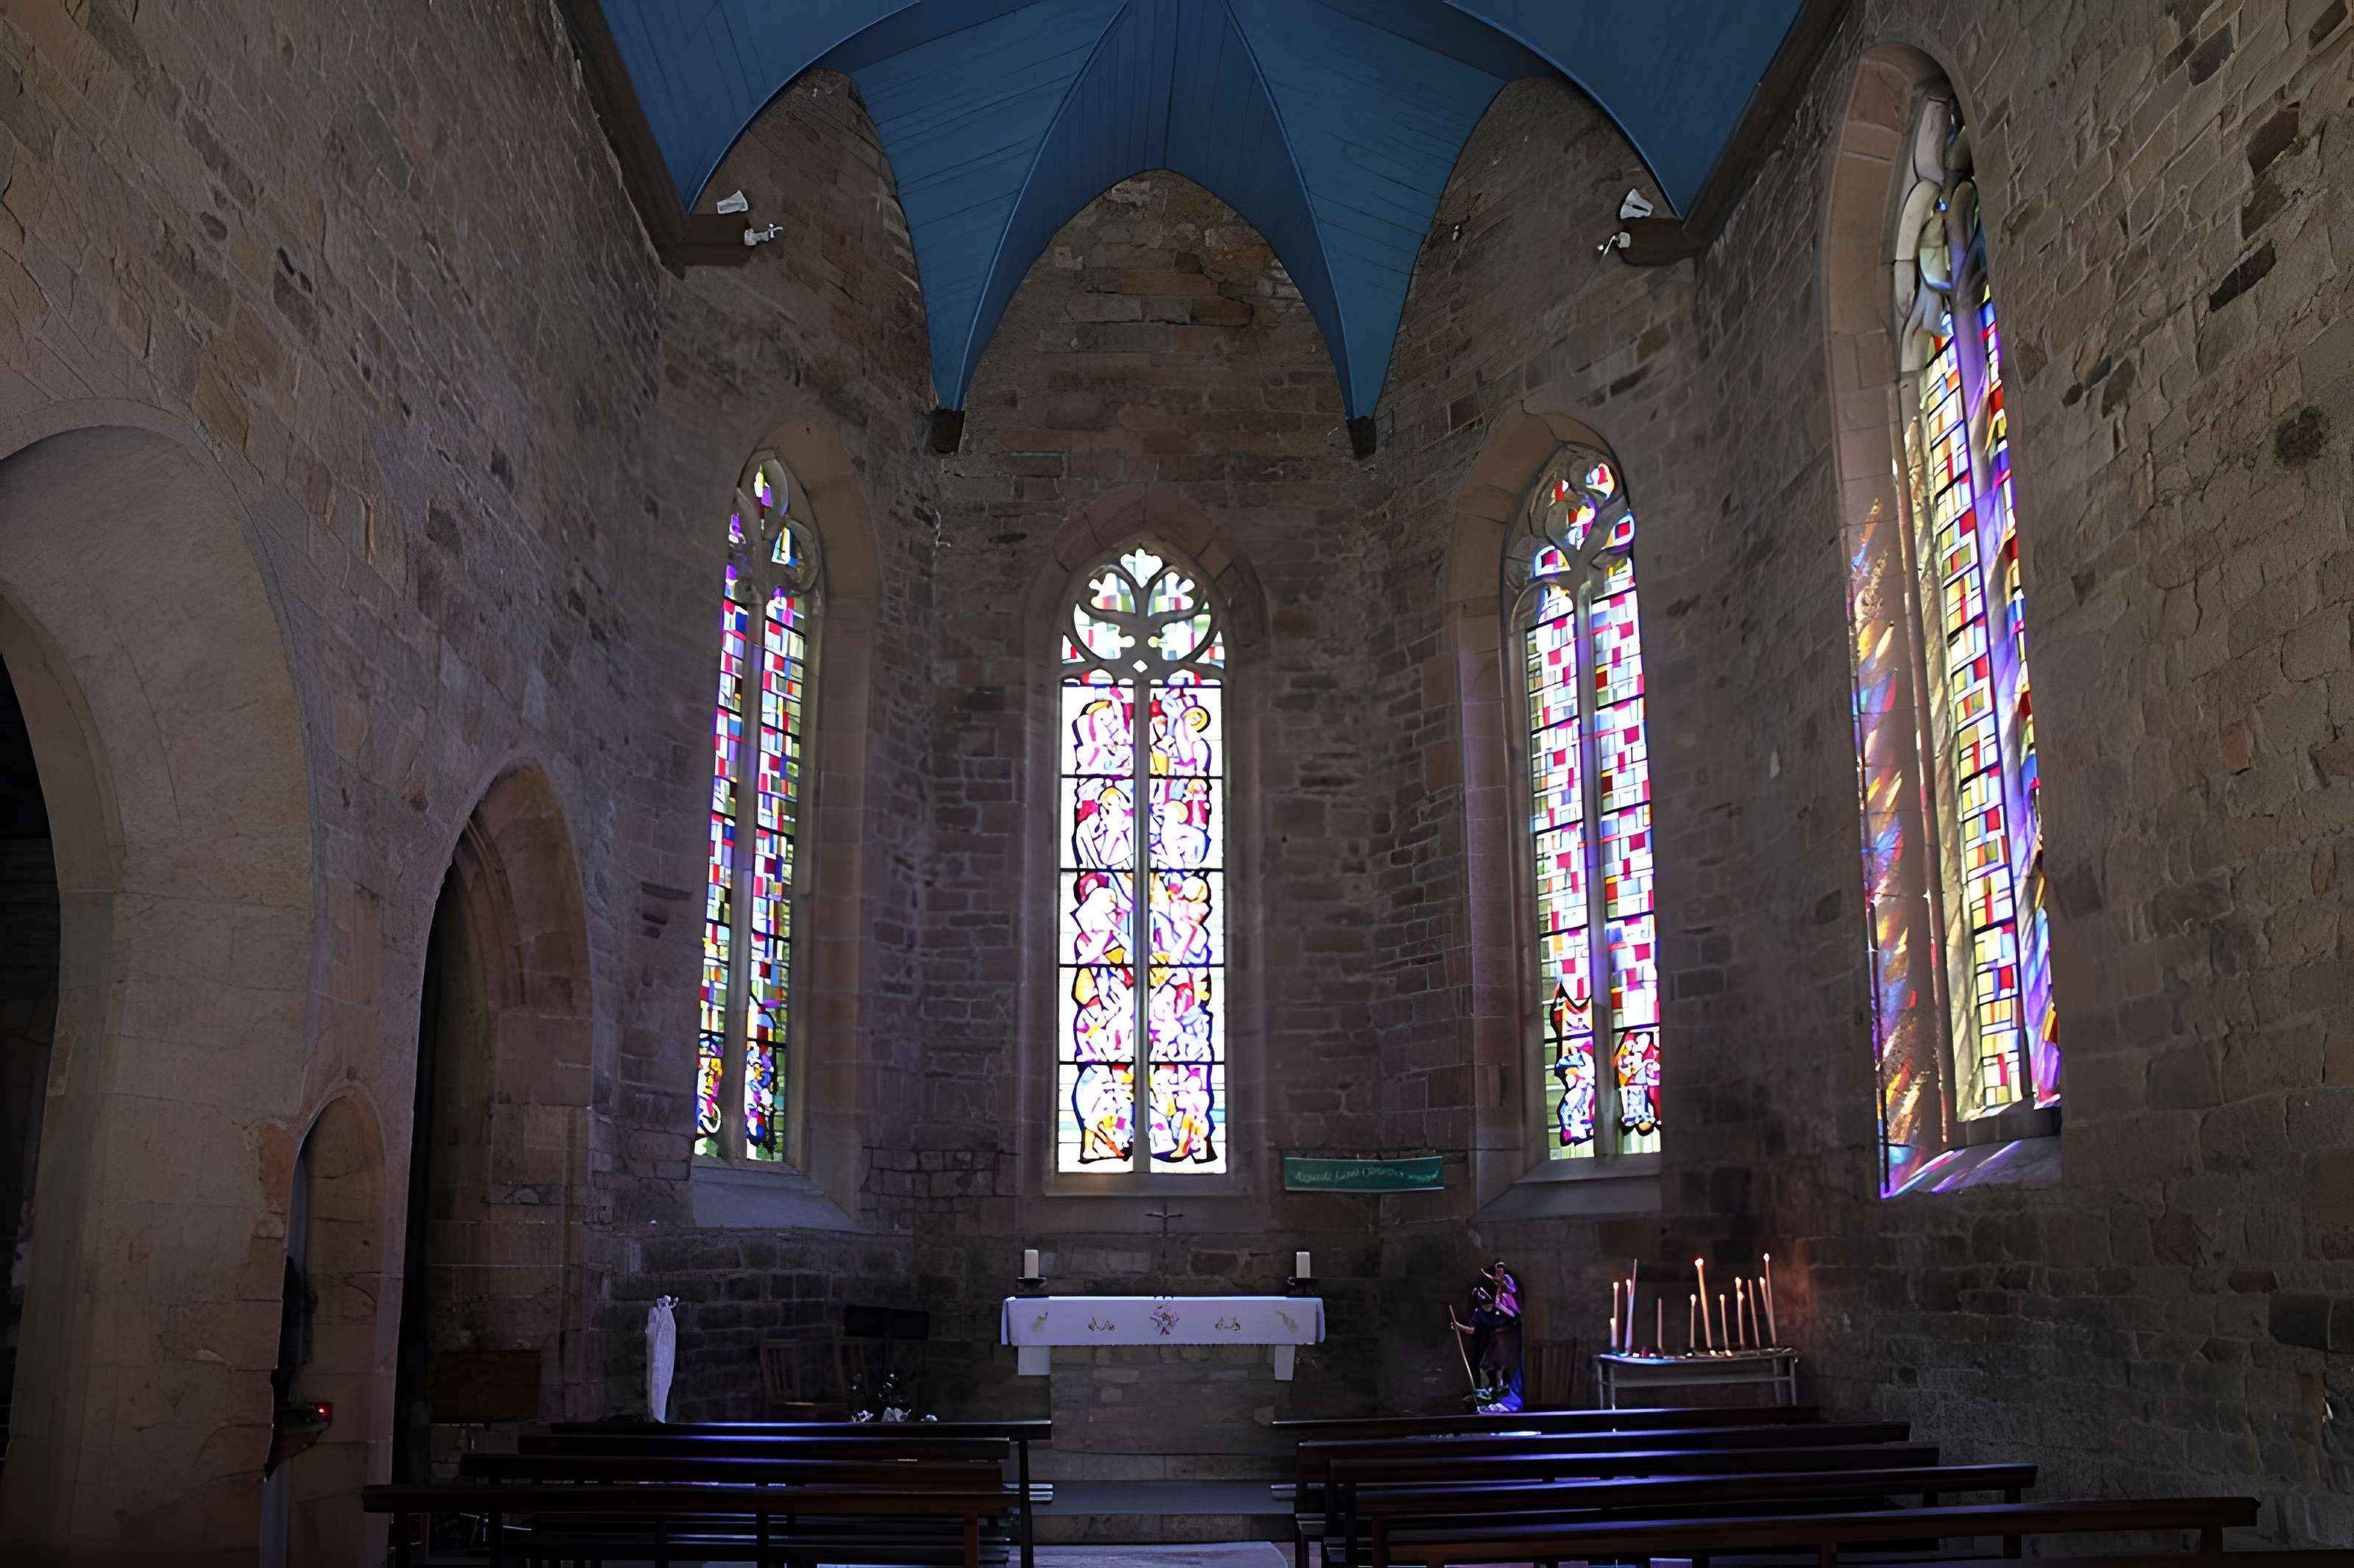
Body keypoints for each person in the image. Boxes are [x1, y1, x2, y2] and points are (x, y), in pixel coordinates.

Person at [1446, 1260, 1524, 1411]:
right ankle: (1486, 1398)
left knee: (1501, 1371)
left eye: (1483, 1292)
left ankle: (1502, 1399)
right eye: (1479, 1294)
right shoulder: (1479, 1313)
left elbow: (1514, 1318)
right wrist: (1458, 1326)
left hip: (1506, 1343)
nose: (1481, 1295)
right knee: (1484, 1368)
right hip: (1494, 1343)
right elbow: (1471, 1330)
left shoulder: (1501, 1306)